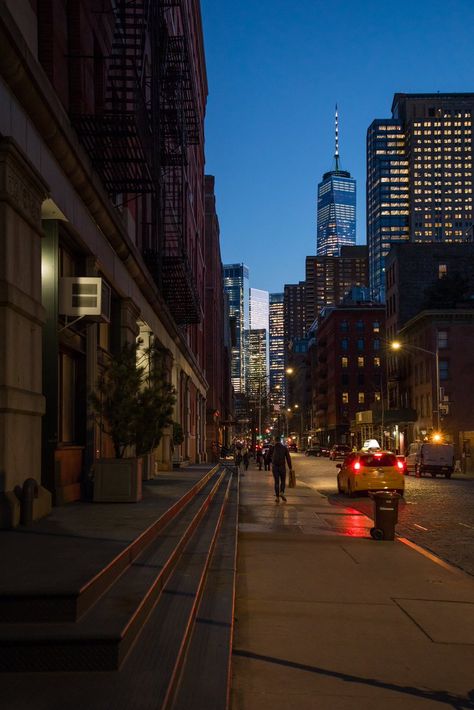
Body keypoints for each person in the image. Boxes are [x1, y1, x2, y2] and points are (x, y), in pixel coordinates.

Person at [271, 436, 292, 503]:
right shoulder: (284, 448)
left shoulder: (272, 448)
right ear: (280, 441)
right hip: (282, 467)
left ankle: (277, 497)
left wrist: (271, 461)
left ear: (275, 441)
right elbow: (288, 458)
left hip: (275, 467)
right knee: (283, 480)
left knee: (276, 482)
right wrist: (290, 467)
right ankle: (282, 492)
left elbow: (267, 456)